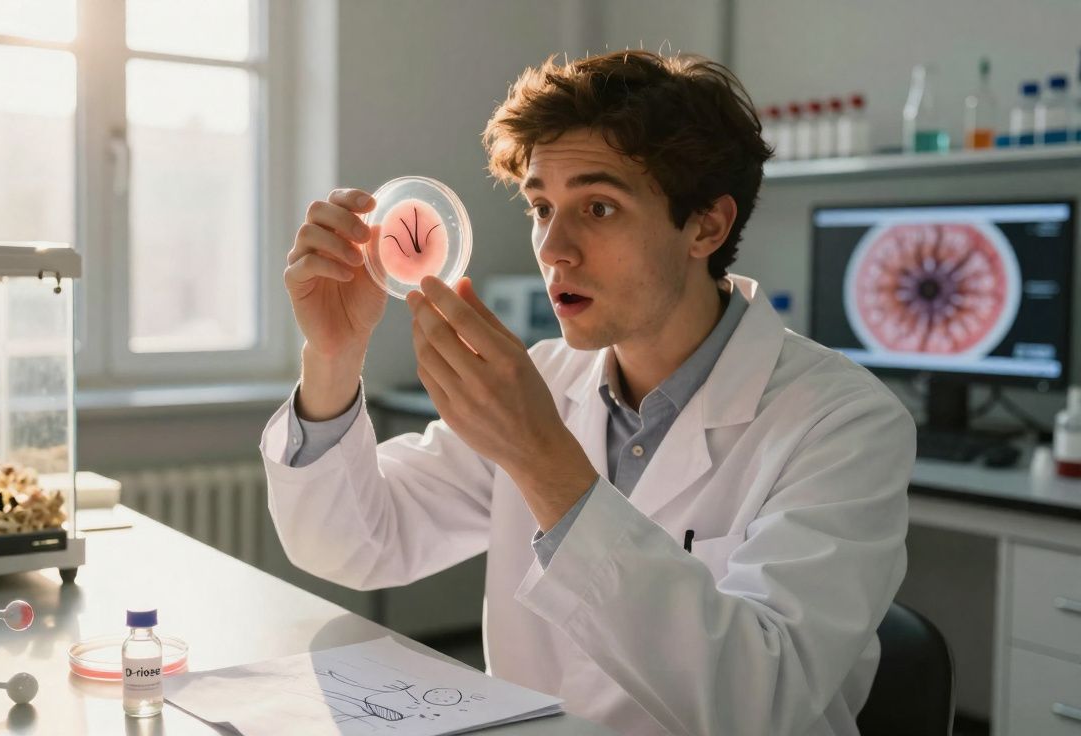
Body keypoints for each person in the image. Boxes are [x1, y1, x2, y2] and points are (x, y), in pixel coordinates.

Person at [261, 49, 914, 736]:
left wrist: (543, 459)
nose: (552, 248)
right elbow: (354, 544)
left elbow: (764, 702)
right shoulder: (545, 380)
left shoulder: (845, 423)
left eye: (598, 207)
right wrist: (333, 356)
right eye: (542, 207)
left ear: (706, 226)